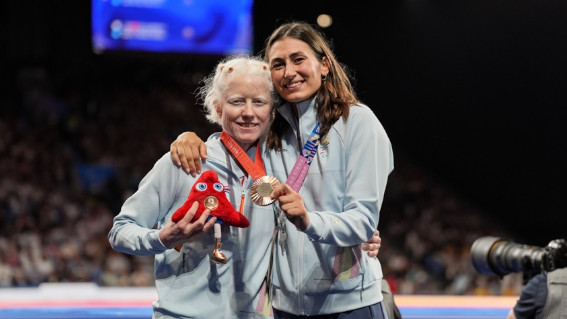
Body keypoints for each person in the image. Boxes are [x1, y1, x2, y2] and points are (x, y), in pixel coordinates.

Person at [109, 54, 381, 319]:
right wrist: (163, 239)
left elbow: (313, 219)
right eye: (236, 101)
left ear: (272, 110)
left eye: (259, 102)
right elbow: (120, 231)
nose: (248, 113)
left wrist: (355, 234)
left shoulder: (283, 169)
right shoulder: (185, 163)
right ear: (218, 107)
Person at [171, 21, 394, 318]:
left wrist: (308, 220)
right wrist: (189, 138)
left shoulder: (357, 123)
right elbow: (232, 143)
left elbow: (364, 220)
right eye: (278, 64)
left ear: (324, 65)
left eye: (298, 59)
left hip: (348, 302)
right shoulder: (272, 132)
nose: (289, 72)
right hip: (286, 306)